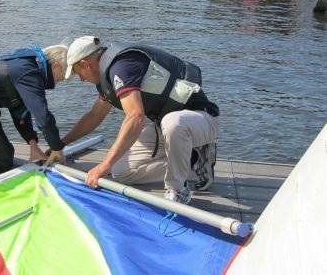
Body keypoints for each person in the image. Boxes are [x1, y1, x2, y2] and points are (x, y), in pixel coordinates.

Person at [47, 36, 220, 204]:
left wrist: (104, 165)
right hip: (168, 127)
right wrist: (59, 145)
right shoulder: (108, 76)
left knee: (172, 122)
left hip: (202, 119)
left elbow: (136, 117)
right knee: (121, 172)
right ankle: (195, 158)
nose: (82, 79)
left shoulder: (122, 67)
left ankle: (177, 190)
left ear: (86, 64)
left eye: (79, 74)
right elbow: (94, 116)